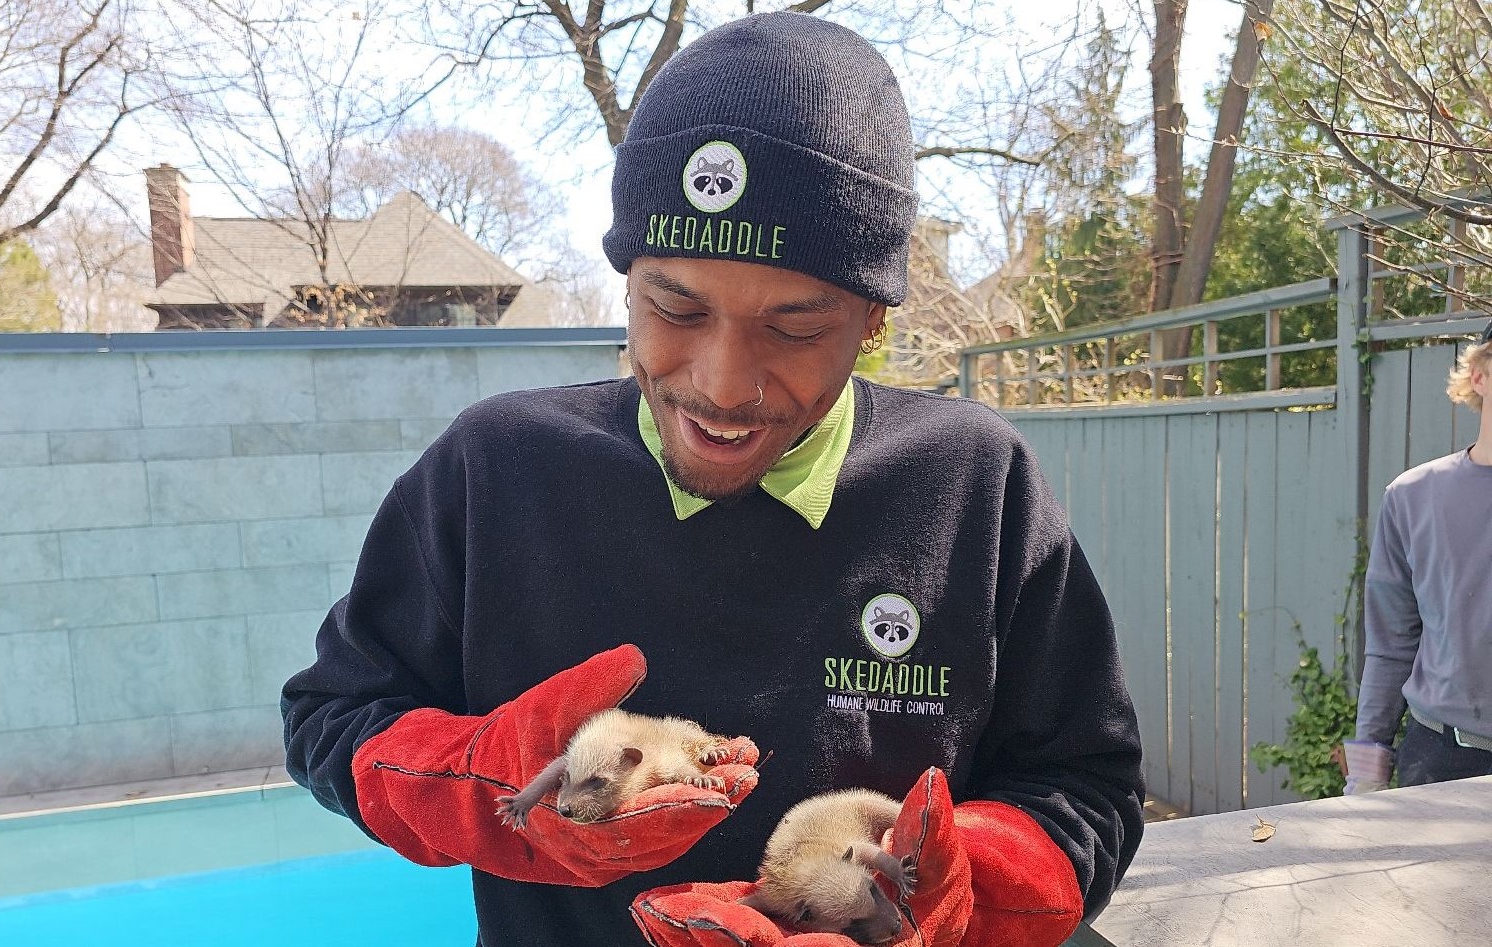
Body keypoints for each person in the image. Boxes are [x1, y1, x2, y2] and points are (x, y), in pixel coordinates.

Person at [282, 12, 1143, 946]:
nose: (722, 384)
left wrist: (954, 893)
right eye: (675, 306)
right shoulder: (495, 467)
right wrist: (475, 781)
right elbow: (335, 713)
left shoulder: (976, 482)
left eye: (797, 326)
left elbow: (1084, 786)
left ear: (874, 321)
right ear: (624, 282)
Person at [1345, 320, 1492, 794]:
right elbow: (1391, 642)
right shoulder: (1413, 496)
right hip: (1441, 761)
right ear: (1481, 375)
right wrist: (1366, 772)